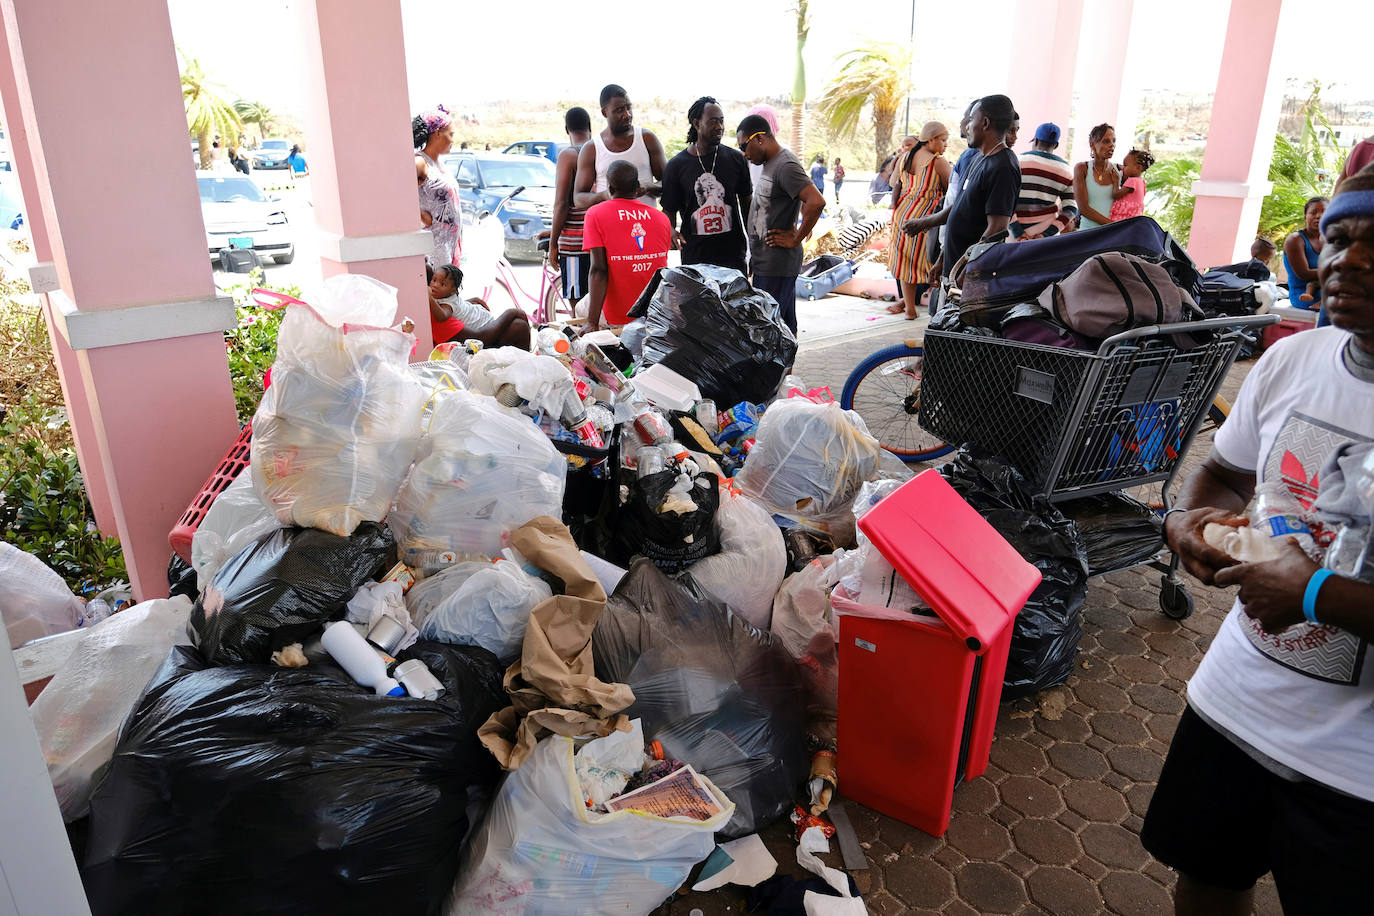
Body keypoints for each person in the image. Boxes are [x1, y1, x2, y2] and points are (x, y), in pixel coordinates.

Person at [1141, 170, 1374, 916]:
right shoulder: (1292, 361)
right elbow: (1222, 472)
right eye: (1337, 238)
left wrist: (1309, 593)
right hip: (1235, 701)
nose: (1348, 260)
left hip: (1355, 767)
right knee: (1206, 882)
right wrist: (1186, 525)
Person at [903, 95, 1021, 291]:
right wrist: (943, 255)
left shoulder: (1004, 166)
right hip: (954, 267)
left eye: (971, 119)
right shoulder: (980, 158)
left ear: (984, 123)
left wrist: (965, 272)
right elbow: (962, 208)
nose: (966, 125)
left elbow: (997, 229)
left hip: (969, 278)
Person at [737, 114, 825, 335]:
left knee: (773, 330)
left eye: (744, 146)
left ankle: (782, 371)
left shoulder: (785, 164)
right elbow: (803, 195)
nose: (744, 154)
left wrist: (796, 237)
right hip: (766, 262)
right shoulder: (772, 163)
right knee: (782, 325)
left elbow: (816, 201)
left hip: (777, 264)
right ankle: (785, 371)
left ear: (759, 139)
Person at [661, 96, 752, 274]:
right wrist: (670, 231)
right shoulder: (676, 166)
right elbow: (668, 210)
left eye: (721, 121)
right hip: (695, 260)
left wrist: (754, 249)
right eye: (713, 122)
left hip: (733, 258)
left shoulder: (736, 159)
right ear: (697, 123)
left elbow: (748, 206)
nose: (719, 127)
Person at [582, 160, 672, 333]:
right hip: (654, 313)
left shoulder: (595, 214)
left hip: (618, 317)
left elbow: (599, 270)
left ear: (610, 189)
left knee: (580, 307)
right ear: (638, 187)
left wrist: (591, 322)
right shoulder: (661, 218)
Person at [888, 121, 950, 319]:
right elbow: (952, 191)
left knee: (906, 263)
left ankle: (910, 310)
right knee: (929, 264)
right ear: (930, 140)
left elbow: (893, 182)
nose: (945, 145)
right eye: (942, 140)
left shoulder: (904, 157)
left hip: (902, 214)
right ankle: (936, 309)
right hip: (925, 219)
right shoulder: (938, 162)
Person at [574, 84, 666, 210]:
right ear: (604, 112)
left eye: (629, 108)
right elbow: (578, 199)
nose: (627, 115)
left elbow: (668, 184)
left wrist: (649, 186)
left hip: (643, 225)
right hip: (609, 225)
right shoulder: (592, 148)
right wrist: (604, 195)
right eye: (619, 110)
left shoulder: (647, 139)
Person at [549, 107, 594, 310]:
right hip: (600, 241)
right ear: (590, 126)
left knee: (578, 310)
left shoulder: (569, 155)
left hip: (575, 245)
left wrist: (553, 243)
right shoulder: (603, 150)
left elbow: (561, 204)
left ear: (567, 129)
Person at [427, 263, 531, 350]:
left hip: (483, 320)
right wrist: (511, 312)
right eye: (434, 280)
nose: (435, 285)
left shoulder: (442, 302)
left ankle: (528, 362)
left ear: (453, 291)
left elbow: (452, 305)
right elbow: (479, 338)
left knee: (520, 323)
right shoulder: (435, 307)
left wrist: (466, 303)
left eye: (442, 284)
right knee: (519, 324)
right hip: (480, 336)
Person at [413, 106, 463, 268]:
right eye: (451, 134)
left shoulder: (439, 164)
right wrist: (421, 216)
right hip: (436, 248)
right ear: (438, 133)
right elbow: (397, 194)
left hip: (450, 244)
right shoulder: (419, 162)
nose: (453, 140)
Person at [1010, 122, 1078, 240]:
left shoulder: (1016, 161)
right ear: (1056, 145)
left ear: (1035, 141)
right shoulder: (1066, 170)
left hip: (1013, 233)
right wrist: (1045, 234)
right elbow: (1071, 209)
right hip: (1045, 237)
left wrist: (1018, 232)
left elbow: (1004, 201)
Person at [1283, 196, 1327, 310]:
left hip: (1326, 287)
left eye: (1324, 212)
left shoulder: (1330, 238)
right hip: (1304, 295)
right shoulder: (1295, 240)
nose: (1318, 216)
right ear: (1305, 216)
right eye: (1313, 212)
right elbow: (1304, 274)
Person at [1073, 123, 1118, 230]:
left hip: (1113, 237)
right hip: (1088, 235)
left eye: (1114, 141)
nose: (1112, 145)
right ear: (1092, 144)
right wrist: (1115, 226)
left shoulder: (1119, 171)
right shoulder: (1082, 168)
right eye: (1106, 141)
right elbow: (1084, 208)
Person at [1108, 148, 1154, 221]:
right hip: (1132, 219)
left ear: (1138, 168)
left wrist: (1115, 181)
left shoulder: (1132, 181)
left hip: (1123, 218)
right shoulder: (1141, 182)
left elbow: (1116, 195)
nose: (1122, 168)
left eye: (1125, 165)